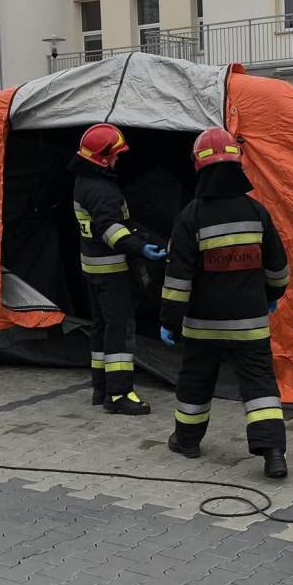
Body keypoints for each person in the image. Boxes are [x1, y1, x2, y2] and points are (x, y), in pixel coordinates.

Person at [159, 127, 291, 479]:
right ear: (237, 163)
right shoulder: (257, 212)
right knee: (260, 385)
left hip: (202, 326)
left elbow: (178, 279)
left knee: (195, 382)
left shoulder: (190, 216)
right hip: (250, 324)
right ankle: (273, 452)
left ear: (198, 166)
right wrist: (271, 296)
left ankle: (187, 441)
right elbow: (278, 268)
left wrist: (170, 320)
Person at [70, 123, 167, 415]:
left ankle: (101, 387)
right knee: (120, 329)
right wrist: (140, 248)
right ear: (103, 157)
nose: (118, 159)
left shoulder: (83, 182)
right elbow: (110, 230)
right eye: (116, 154)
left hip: (92, 269)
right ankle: (119, 394)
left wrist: (138, 237)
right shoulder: (102, 190)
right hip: (111, 272)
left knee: (101, 326)